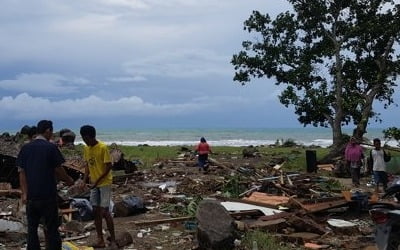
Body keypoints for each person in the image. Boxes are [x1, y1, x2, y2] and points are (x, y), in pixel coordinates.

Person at [16, 120, 74, 250]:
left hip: (31, 197)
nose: (52, 135)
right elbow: (58, 170)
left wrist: (24, 193)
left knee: (32, 229)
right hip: (47, 195)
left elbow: (21, 173)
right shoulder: (50, 147)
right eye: (51, 132)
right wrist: (69, 180)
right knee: (52, 228)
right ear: (47, 130)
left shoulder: (25, 148)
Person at [79, 125, 117, 249]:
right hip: (94, 184)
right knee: (95, 211)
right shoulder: (86, 148)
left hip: (104, 183)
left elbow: (108, 167)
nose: (85, 141)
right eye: (83, 139)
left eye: (86, 138)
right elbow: (87, 166)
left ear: (91, 137)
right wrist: (84, 180)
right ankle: (100, 239)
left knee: (105, 212)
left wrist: (98, 181)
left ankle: (113, 240)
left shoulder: (102, 147)